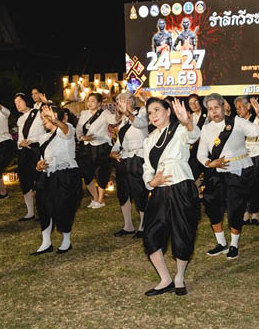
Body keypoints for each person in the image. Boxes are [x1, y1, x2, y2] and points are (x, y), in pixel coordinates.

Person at [141, 97, 201, 296]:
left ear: (168, 111)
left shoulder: (180, 131)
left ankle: (179, 277)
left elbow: (193, 136)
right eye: (150, 112)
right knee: (150, 235)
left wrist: (188, 122)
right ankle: (165, 278)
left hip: (182, 187)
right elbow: (147, 169)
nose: (154, 115)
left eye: (157, 110)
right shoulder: (149, 140)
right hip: (159, 191)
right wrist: (151, 182)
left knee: (182, 234)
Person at [197, 93, 259, 260]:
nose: (214, 111)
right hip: (215, 174)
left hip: (237, 171)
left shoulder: (237, 122)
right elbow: (201, 153)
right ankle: (221, 244)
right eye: (210, 108)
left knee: (235, 209)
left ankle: (234, 245)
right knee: (213, 207)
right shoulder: (206, 128)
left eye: (216, 107)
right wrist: (209, 163)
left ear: (223, 106)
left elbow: (257, 131)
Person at [32, 105, 83, 255]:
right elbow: (42, 159)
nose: (43, 121)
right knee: (43, 206)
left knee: (63, 207)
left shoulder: (66, 130)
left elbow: (66, 130)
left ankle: (66, 239)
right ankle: (46, 242)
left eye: (45, 118)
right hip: (48, 176)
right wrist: (39, 166)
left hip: (65, 175)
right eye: (42, 119)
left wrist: (56, 121)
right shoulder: (43, 138)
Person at [110, 91, 149, 238]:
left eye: (122, 100)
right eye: (118, 101)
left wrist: (128, 113)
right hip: (123, 158)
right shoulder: (124, 120)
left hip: (138, 157)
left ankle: (143, 225)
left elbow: (140, 124)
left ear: (131, 102)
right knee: (123, 192)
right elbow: (120, 141)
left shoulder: (142, 112)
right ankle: (128, 225)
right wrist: (113, 151)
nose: (119, 103)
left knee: (139, 192)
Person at [75, 93, 118, 209]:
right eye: (88, 101)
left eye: (93, 101)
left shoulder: (105, 114)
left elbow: (114, 120)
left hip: (101, 147)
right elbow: (79, 129)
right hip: (86, 147)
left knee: (101, 173)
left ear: (99, 103)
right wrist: (82, 137)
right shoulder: (84, 114)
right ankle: (94, 197)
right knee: (86, 173)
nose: (89, 103)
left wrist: (120, 112)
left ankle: (100, 200)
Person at [234, 95, 259, 226]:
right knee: (244, 186)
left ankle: (254, 215)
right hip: (243, 157)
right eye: (236, 108)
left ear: (248, 106)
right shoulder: (237, 121)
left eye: (240, 107)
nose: (238, 111)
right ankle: (245, 215)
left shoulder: (257, 118)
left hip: (258, 156)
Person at [15, 93, 46, 221]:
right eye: (15, 103)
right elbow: (19, 138)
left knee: (40, 181)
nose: (17, 105)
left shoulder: (38, 113)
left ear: (26, 101)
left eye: (19, 101)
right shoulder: (20, 119)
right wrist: (20, 143)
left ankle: (42, 210)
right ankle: (30, 212)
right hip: (24, 152)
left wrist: (31, 140)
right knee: (25, 180)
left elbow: (45, 133)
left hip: (36, 150)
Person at [186, 93, 208, 182]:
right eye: (191, 103)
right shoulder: (189, 117)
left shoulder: (208, 113)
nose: (193, 105)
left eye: (195, 101)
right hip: (195, 150)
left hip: (208, 149)